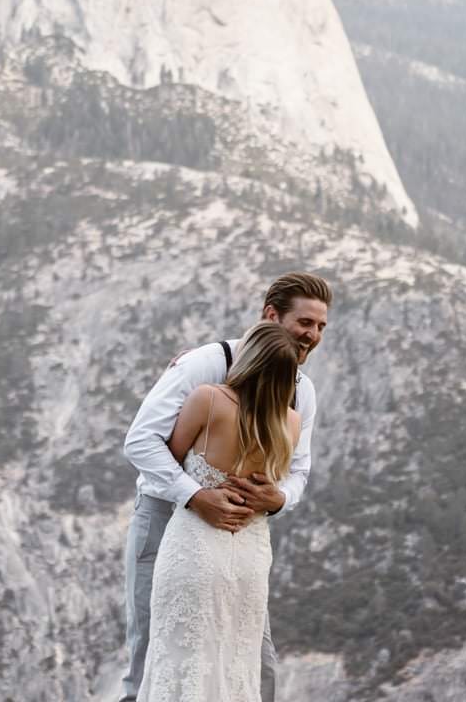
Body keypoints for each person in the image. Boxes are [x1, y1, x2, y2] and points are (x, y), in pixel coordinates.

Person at [120, 272, 331, 702]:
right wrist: (196, 496)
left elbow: (300, 471)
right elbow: (141, 440)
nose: (313, 335)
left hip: (242, 542)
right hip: (168, 521)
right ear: (271, 316)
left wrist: (279, 499)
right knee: (154, 653)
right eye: (305, 323)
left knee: (254, 661)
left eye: (321, 326)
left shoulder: (301, 394)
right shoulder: (203, 366)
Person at [135, 321, 301, 701]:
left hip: (195, 545)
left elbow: (169, 461)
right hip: (249, 554)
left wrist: (199, 492)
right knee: (237, 664)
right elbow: (279, 484)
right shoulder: (291, 423)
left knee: (181, 657)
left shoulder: (208, 400)